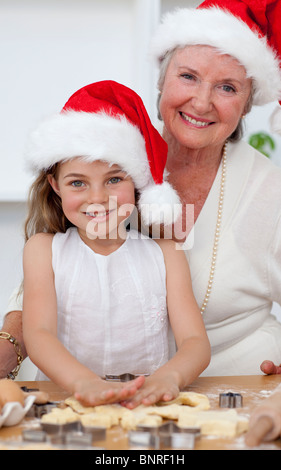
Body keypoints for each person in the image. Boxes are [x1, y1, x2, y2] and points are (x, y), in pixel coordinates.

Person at [2, 0, 281, 379]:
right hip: (82, 380)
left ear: (247, 104)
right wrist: (12, 344)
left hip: (238, 377)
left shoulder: (270, 191)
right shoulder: (116, 148)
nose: (201, 101)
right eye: (188, 76)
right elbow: (48, 280)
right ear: (161, 79)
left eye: (227, 87)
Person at [19, 80, 210, 407]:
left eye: (114, 180)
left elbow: (195, 342)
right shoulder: (42, 250)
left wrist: (170, 377)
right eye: (77, 182)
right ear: (55, 185)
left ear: (136, 181)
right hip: (67, 403)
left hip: (147, 404)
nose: (97, 198)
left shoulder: (166, 254)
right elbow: (38, 335)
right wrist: (84, 384)